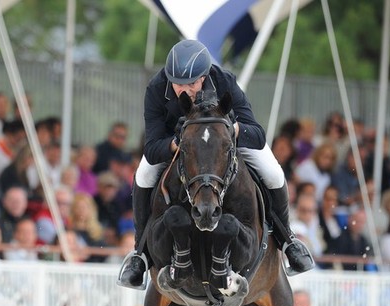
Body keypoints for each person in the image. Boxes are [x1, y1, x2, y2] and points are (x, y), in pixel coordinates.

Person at [118, 40, 314, 289]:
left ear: (204, 77)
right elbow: (152, 145)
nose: (184, 90)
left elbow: (257, 133)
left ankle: (288, 241)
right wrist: (175, 144)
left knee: (273, 173)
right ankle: (141, 254)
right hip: (181, 147)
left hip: (224, 142)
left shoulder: (224, 81)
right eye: (178, 83)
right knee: (144, 175)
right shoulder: (157, 88)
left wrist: (229, 131)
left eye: (191, 83)